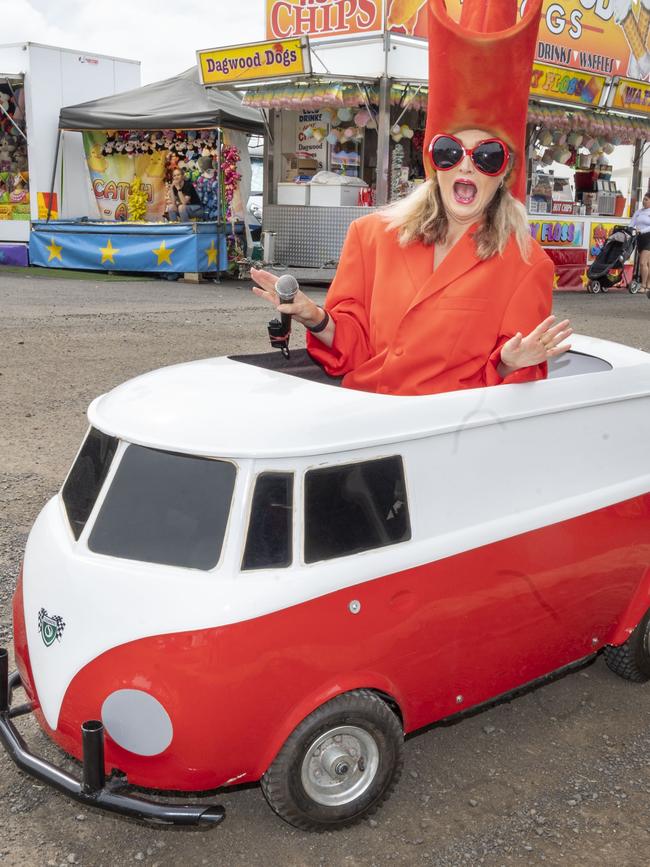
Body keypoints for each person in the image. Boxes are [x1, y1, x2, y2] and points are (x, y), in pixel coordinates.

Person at [252, 0, 572, 397]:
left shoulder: (526, 266)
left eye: (488, 156)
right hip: (367, 418)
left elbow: (512, 388)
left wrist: (509, 361)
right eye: (449, 152)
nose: (466, 167)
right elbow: (354, 349)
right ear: (433, 163)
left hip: (448, 434)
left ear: (505, 174)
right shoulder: (370, 237)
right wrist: (314, 316)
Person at [630, 193, 650, 293]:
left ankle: (643, 285)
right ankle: (648, 284)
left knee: (642, 263)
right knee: (647, 263)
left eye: (646, 199)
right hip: (640, 238)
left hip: (648, 238)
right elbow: (631, 224)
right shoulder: (638, 212)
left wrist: (641, 231)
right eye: (643, 199)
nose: (644, 201)